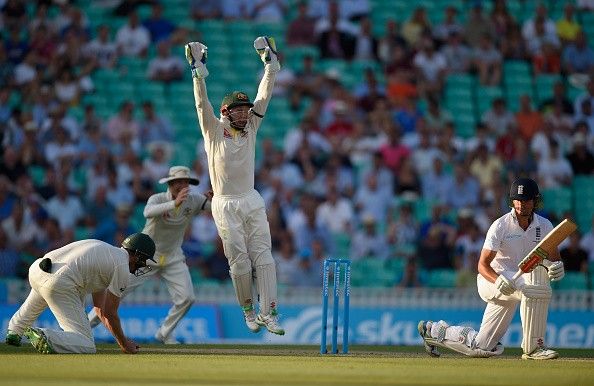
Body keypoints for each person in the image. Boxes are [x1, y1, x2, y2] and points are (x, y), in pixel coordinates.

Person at [185, 36, 285, 335]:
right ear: (226, 112)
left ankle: (269, 312)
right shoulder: (214, 131)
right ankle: (247, 310)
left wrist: (271, 68)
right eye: (239, 110)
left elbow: (264, 96)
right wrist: (198, 72)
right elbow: (201, 104)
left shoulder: (252, 127)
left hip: (251, 199)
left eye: (246, 109)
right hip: (225, 203)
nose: (245, 113)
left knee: (264, 258)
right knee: (239, 262)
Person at [418, 177, 565, 360]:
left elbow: (554, 258)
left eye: (526, 200)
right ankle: (534, 348)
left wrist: (557, 266)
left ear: (535, 200)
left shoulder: (544, 226)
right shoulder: (500, 225)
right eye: (517, 200)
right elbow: (482, 265)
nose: (520, 205)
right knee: (532, 285)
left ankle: (434, 331)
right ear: (512, 201)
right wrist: (498, 280)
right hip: (492, 281)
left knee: (481, 347)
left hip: (516, 283)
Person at [88, 166, 212, 344]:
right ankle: (85, 327)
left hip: (173, 256)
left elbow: (213, 208)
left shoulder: (193, 200)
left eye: (186, 182)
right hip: (144, 258)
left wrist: (217, 200)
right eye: (178, 182)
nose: (182, 185)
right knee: (116, 293)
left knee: (187, 298)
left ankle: (163, 333)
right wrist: (174, 204)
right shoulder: (158, 198)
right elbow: (148, 212)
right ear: (170, 183)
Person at [5, 232, 156, 354]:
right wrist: (124, 344)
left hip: (38, 269)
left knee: (42, 293)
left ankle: (15, 331)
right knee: (86, 344)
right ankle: (45, 336)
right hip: (60, 282)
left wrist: (123, 340)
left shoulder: (107, 253)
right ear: (136, 255)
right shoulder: (122, 266)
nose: (142, 265)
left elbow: (101, 310)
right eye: (144, 260)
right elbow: (110, 312)